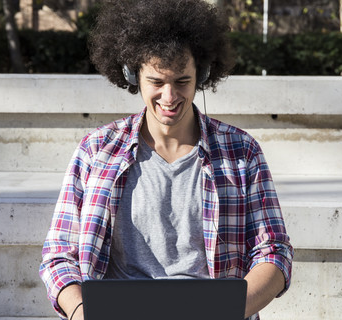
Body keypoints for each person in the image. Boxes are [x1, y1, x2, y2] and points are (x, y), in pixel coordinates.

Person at [39, 0, 294, 319]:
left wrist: (227, 312)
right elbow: (59, 256)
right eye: (157, 82)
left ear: (201, 74)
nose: (170, 97)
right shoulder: (96, 150)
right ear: (133, 76)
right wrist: (82, 313)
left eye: (182, 81)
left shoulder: (241, 151)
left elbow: (274, 252)